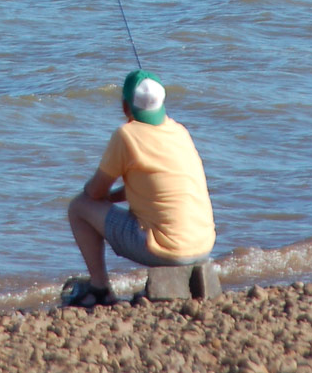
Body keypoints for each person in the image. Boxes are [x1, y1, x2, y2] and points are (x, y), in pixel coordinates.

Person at [65, 70, 215, 308]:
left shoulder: (126, 135)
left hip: (165, 248)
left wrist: (98, 197)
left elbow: (93, 193)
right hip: (203, 244)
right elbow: (152, 184)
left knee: (78, 207)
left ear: (126, 106)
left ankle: (100, 288)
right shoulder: (179, 131)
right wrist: (112, 198)